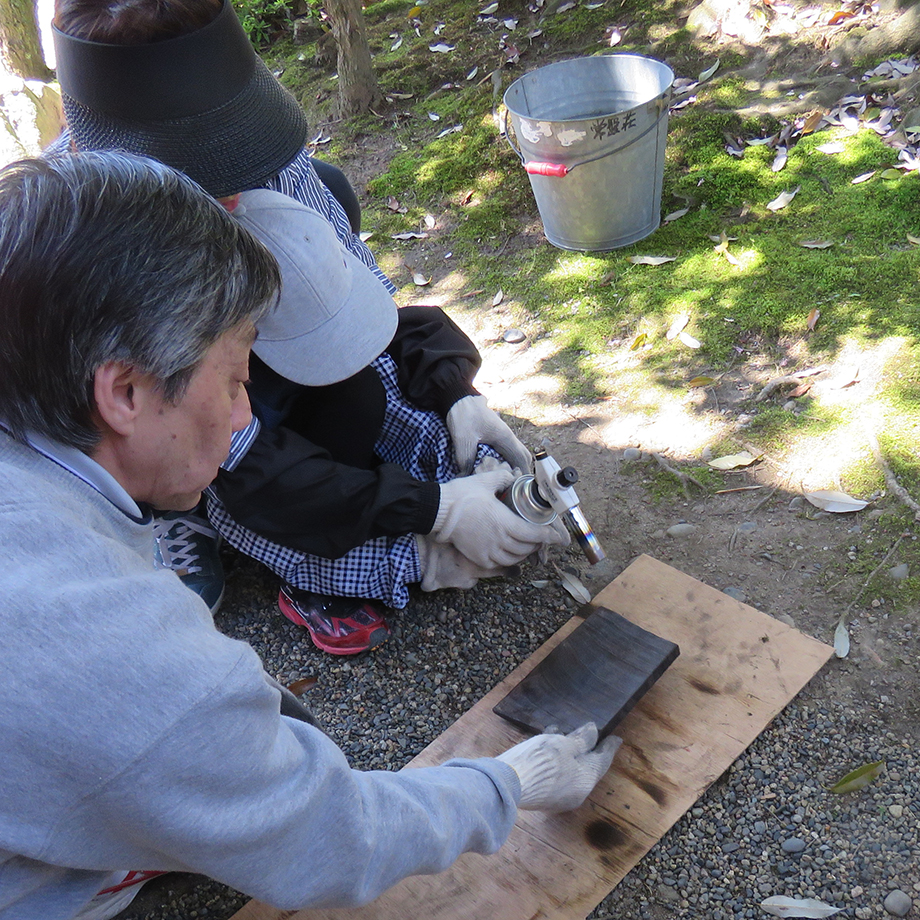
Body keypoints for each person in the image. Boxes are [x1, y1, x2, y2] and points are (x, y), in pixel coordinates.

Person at [0, 151, 620, 920]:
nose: (239, 417)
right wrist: (507, 784)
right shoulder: (120, 659)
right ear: (124, 391)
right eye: (233, 381)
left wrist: (456, 395)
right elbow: (335, 840)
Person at [49, 0, 549, 629]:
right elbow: (243, 459)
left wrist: (454, 397)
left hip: (219, 372)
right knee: (210, 473)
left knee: (372, 400)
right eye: (199, 176)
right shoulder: (76, 262)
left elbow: (366, 315)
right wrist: (423, 528)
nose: (235, 192)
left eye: (233, 152)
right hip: (149, 415)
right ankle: (168, 512)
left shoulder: (278, 174)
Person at [203, 189, 568, 654]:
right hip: (252, 484)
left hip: (295, 417)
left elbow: (401, 327)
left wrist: (457, 395)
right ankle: (314, 584)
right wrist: (433, 513)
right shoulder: (201, 372)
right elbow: (259, 480)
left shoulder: (301, 208)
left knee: (369, 390)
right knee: (276, 508)